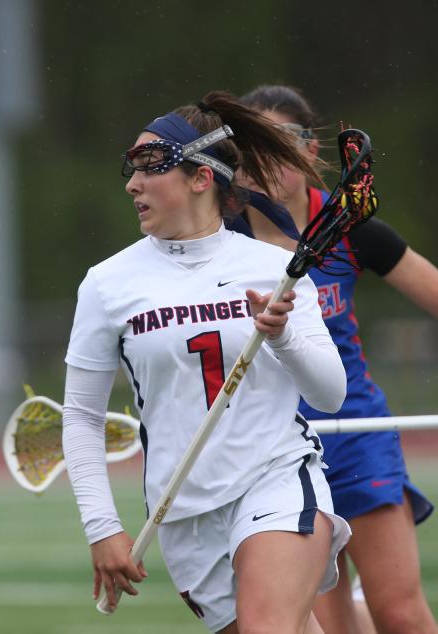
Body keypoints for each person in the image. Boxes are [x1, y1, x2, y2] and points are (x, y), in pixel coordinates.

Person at [234, 84, 438, 634]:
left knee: (401, 614)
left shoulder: (350, 228)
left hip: (358, 431)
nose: (267, 160)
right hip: (275, 450)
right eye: (254, 145)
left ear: (311, 151)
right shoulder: (220, 243)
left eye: (281, 141)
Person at [61, 90, 352, 634]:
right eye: (130, 169)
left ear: (201, 178)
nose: (132, 184)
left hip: (275, 479)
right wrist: (102, 527)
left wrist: (282, 335)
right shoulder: (106, 285)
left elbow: (331, 394)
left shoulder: (275, 268)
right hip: (184, 517)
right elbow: (80, 417)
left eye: (150, 168)